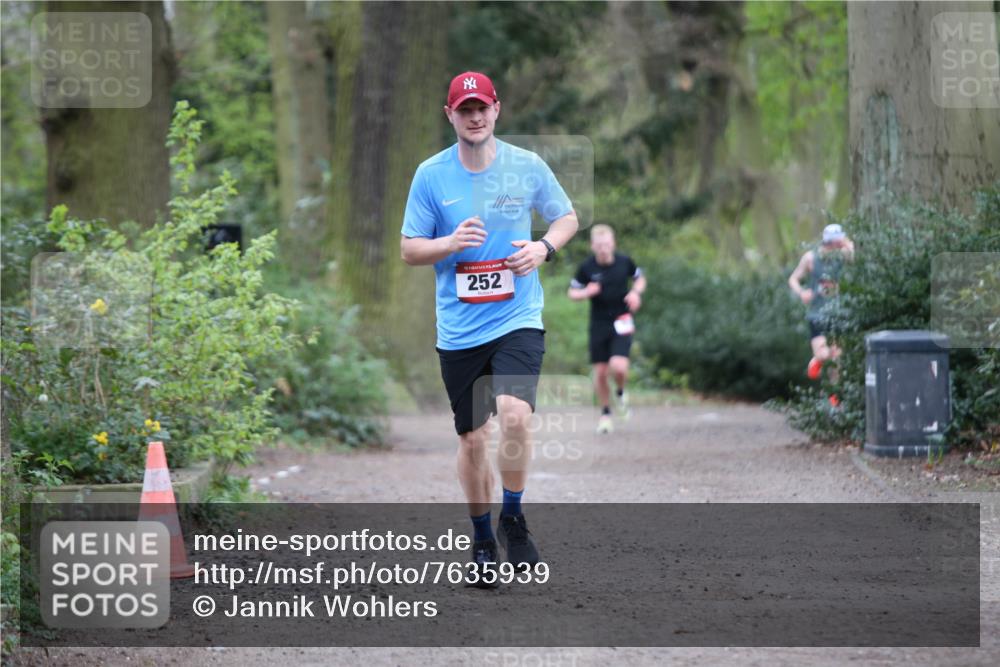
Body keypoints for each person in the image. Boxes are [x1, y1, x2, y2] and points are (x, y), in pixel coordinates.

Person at [400, 71, 579, 587]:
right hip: (459, 330)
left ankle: (514, 516)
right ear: (450, 116)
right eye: (464, 109)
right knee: (474, 439)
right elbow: (410, 249)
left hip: (517, 318)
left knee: (516, 416)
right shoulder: (430, 176)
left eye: (482, 108)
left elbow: (566, 217)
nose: (475, 117)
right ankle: (481, 537)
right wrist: (450, 243)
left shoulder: (526, 166)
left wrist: (544, 248)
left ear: (497, 110)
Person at [567, 224, 646, 434]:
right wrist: (586, 292)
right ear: (593, 246)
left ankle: (620, 392)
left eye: (607, 244)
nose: (603, 248)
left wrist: (636, 293)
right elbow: (572, 292)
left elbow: (640, 278)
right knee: (600, 372)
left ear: (613, 243)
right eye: (599, 245)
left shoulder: (624, 262)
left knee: (618, 366)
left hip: (622, 321)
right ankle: (605, 414)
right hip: (599, 324)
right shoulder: (587, 268)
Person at [788, 223, 854, 390]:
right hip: (817, 314)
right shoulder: (811, 258)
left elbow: (852, 254)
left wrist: (846, 242)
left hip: (838, 314)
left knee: (837, 359)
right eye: (837, 242)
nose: (839, 245)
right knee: (823, 354)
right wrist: (802, 292)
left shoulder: (842, 256)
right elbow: (793, 279)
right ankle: (816, 360)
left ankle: (835, 397)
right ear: (830, 242)